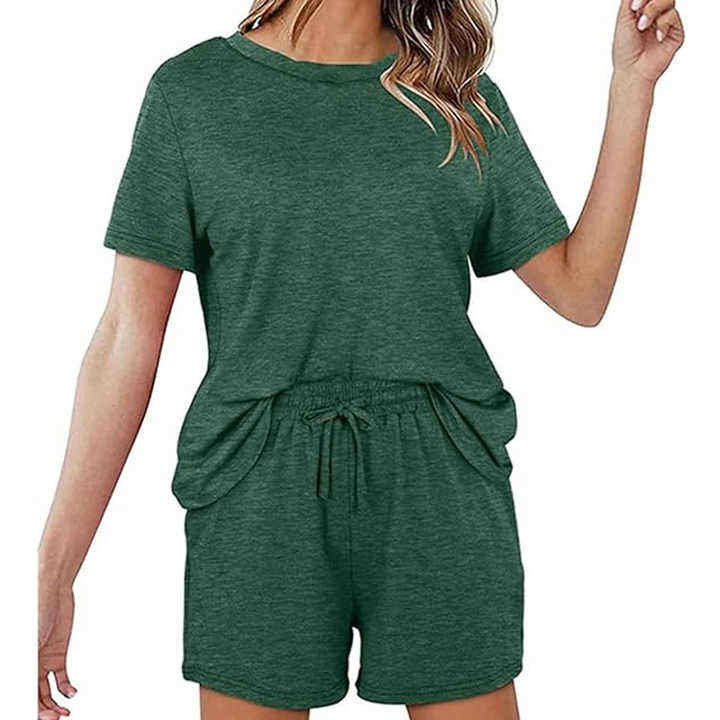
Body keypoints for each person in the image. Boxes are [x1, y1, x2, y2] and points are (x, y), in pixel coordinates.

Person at [38, 0, 684, 718]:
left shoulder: (457, 97)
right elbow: (126, 337)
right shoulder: (193, 94)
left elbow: (581, 290)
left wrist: (633, 85)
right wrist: (54, 568)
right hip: (257, 488)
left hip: (441, 479)